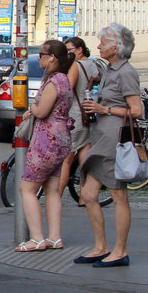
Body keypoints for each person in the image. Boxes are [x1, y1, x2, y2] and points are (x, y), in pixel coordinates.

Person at [76, 24, 142, 268]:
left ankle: (120, 251)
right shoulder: (109, 70)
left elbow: (136, 111)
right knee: (88, 194)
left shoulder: (126, 72)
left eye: (103, 42)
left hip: (116, 141)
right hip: (101, 139)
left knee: (118, 195)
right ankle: (101, 247)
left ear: (117, 47)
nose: (99, 45)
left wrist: (105, 109)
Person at [14, 39, 74, 252]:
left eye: (41, 54)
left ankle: (37, 238)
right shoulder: (65, 80)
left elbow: (41, 112)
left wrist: (32, 105)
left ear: (52, 58)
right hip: (61, 140)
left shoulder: (53, 82)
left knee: (27, 188)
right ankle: (55, 237)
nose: (39, 57)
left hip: (46, 140)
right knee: (52, 189)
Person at [58, 36, 103, 199]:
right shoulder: (93, 64)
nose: (67, 54)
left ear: (79, 49)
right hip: (90, 114)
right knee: (85, 158)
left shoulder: (76, 66)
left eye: (69, 50)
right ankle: (86, 196)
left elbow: (66, 90)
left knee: (66, 160)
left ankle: (57, 196)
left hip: (75, 116)